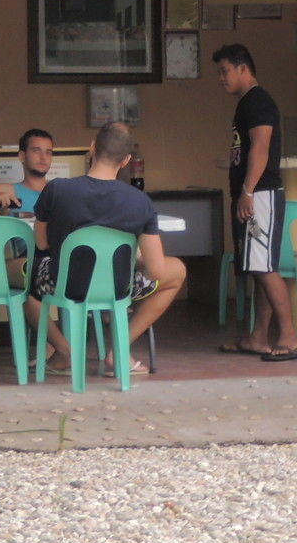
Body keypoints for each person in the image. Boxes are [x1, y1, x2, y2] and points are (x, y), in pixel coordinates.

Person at [28, 122, 185, 375]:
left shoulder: (57, 189)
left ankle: (64, 351)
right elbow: (155, 271)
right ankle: (119, 351)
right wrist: (134, 256)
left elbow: (42, 244)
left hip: (63, 283)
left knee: (21, 279)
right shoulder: (140, 201)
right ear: (126, 161)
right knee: (176, 270)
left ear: (91, 149)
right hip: (118, 286)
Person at [217, 43, 297, 362]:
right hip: (254, 193)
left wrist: (248, 191)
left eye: (225, 71)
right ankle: (258, 337)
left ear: (243, 68)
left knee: (264, 269)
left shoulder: (259, 102)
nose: (221, 78)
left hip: (261, 194)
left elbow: (261, 147)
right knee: (259, 266)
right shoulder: (246, 103)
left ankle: (290, 337)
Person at [0, 128, 54, 212]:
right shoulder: (9, 191)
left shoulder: (60, 191)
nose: (43, 157)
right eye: (36, 151)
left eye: (48, 152)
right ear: (22, 156)